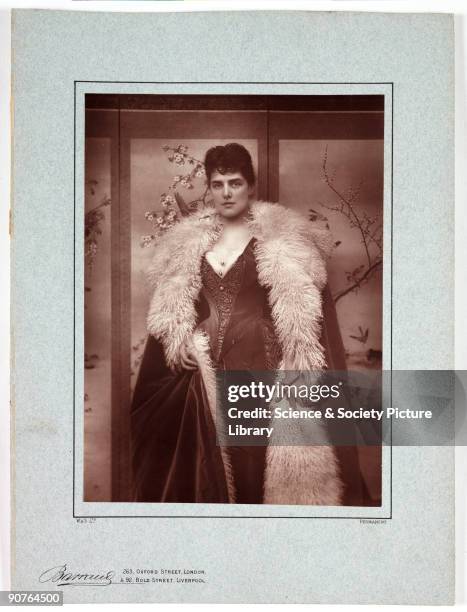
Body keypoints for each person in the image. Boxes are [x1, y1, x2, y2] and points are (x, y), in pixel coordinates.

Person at [130, 143, 365, 505]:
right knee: (213, 472)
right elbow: (172, 311)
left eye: (235, 183)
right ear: (209, 187)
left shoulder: (284, 242)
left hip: (263, 372)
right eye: (218, 183)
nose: (226, 192)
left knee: (259, 468)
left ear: (251, 186)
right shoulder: (187, 246)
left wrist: (300, 363)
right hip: (206, 378)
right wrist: (182, 341)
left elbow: (309, 313)